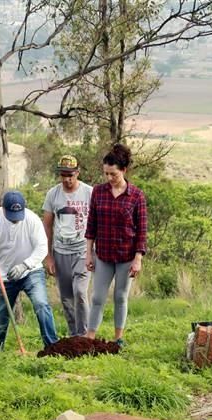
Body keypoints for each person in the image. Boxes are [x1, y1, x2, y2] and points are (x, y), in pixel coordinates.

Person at [0, 190, 58, 352]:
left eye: (18, 215)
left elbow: (42, 248)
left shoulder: (32, 219)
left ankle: (52, 347)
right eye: (11, 215)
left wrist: (25, 265)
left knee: (41, 304)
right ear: (3, 209)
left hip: (31, 272)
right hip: (4, 275)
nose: (15, 220)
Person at [85, 143, 147, 347]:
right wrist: (88, 253)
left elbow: (142, 231)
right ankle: (89, 338)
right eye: (106, 173)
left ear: (124, 170)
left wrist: (138, 259)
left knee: (120, 297)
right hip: (103, 254)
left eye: (113, 174)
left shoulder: (136, 196)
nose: (109, 178)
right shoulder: (98, 192)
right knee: (97, 297)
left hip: (126, 256)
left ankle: (118, 338)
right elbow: (91, 225)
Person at [43, 155, 93, 337]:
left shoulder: (89, 193)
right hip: (61, 251)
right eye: (63, 175)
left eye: (70, 175)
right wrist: (48, 256)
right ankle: (74, 335)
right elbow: (47, 225)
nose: (67, 179)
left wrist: (94, 250)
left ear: (77, 173)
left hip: (82, 250)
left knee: (80, 292)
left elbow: (98, 221)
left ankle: (84, 334)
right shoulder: (53, 194)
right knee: (66, 298)